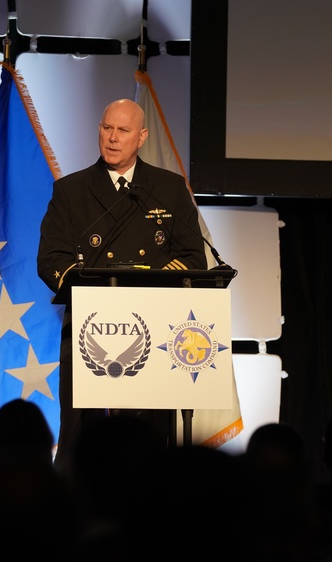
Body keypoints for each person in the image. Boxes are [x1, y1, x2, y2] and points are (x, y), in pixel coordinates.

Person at [37, 98, 208, 473]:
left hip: (153, 336)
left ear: (142, 137)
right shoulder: (72, 190)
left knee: (146, 448)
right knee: (82, 445)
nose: (112, 139)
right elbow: (51, 259)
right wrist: (91, 295)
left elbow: (194, 258)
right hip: (89, 335)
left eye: (123, 130)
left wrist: (149, 289)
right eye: (106, 128)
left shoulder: (168, 188)